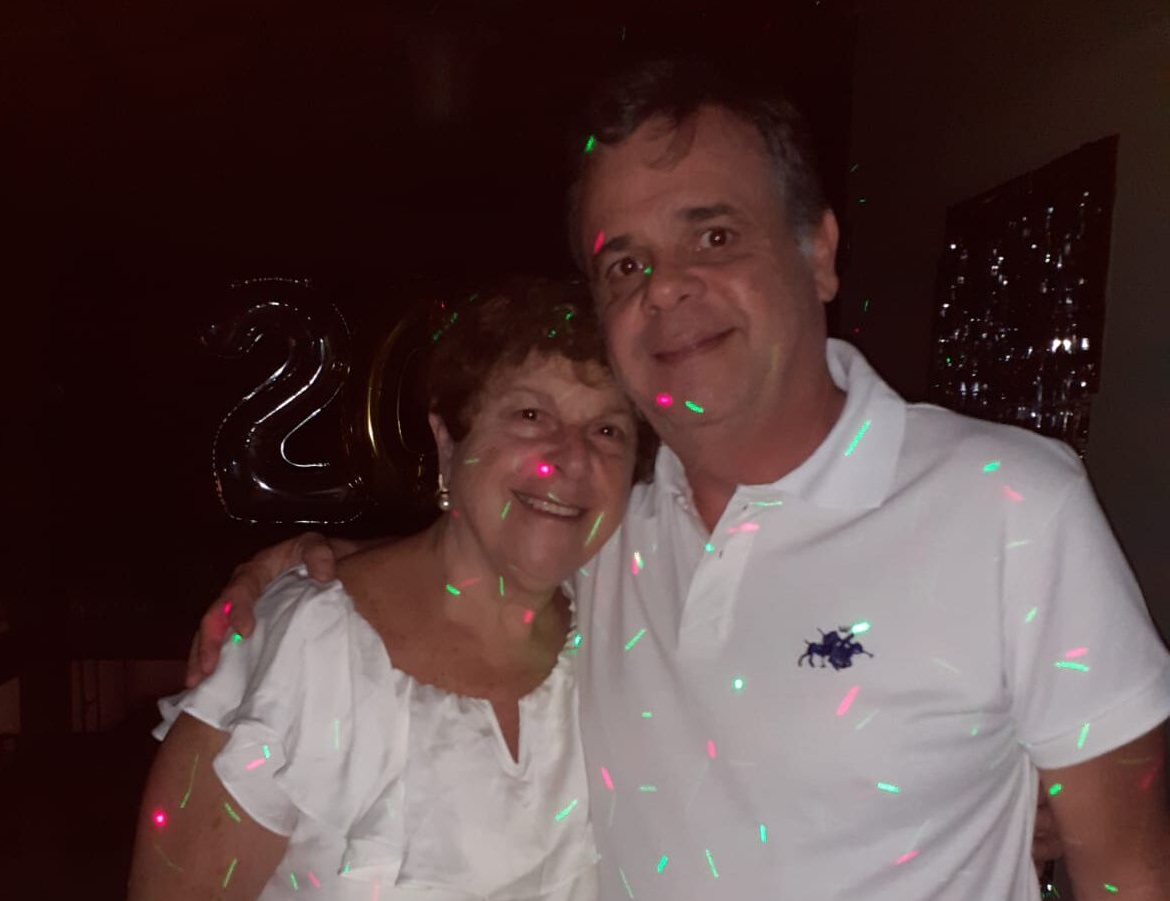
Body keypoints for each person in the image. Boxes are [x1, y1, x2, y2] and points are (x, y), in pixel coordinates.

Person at [187, 59, 1170, 899]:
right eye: (625, 265)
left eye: (714, 236)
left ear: (819, 253)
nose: (665, 289)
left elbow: (1129, 865)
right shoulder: (608, 526)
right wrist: (316, 565)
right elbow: (478, 562)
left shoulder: (1010, 505)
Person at [129, 279, 655, 899]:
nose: (568, 457)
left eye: (608, 431)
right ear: (448, 442)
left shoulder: (619, 630)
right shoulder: (305, 645)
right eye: (530, 415)